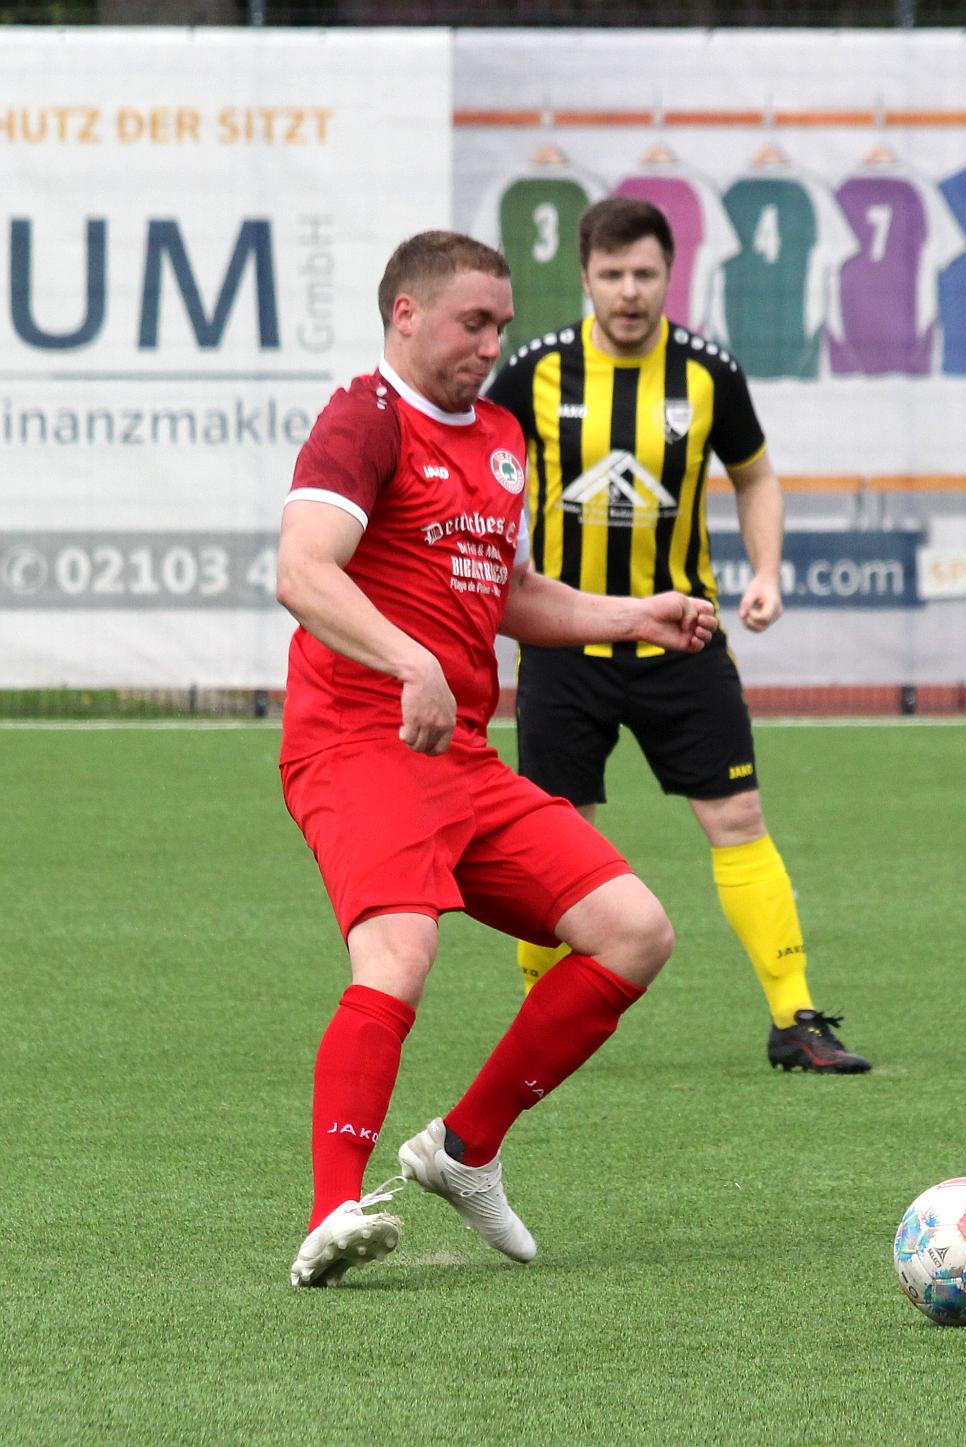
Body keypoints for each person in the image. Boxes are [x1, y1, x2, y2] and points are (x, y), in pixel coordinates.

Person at [277, 230, 717, 1287]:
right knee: (399, 955)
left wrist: (633, 616)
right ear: (406, 314)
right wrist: (410, 660)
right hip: (359, 740)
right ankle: (331, 1210)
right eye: (473, 323)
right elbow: (303, 569)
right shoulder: (364, 418)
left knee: (634, 932)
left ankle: (464, 1148)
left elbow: (508, 592)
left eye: (502, 325)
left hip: (459, 757)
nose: (492, 344)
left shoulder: (501, 437)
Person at [484, 197, 868, 1074]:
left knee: (737, 815)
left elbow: (755, 476)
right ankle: (538, 1022)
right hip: (563, 643)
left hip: (682, 637)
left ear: (670, 274)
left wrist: (765, 571)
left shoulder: (707, 371)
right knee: (551, 834)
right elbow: (479, 471)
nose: (629, 291)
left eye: (645, 274)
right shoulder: (534, 371)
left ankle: (795, 1018)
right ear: (584, 278)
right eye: (612, 274)